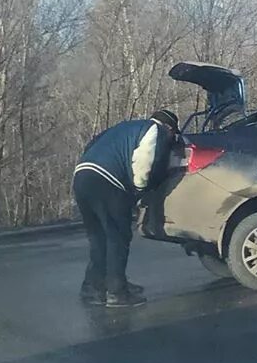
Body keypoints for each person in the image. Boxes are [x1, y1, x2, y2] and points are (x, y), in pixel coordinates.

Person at [73, 110, 181, 308]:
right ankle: (117, 292)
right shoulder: (154, 129)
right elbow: (144, 161)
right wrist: (139, 189)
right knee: (117, 237)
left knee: (98, 237)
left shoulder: (125, 127)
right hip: (108, 180)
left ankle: (94, 287)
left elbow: (91, 145)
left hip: (82, 176)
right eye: (173, 134)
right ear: (169, 127)